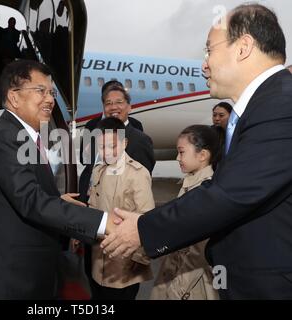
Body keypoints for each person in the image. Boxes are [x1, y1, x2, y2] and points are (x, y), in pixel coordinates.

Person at [101, 4, 292, 299]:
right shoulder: (263, 106)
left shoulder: (282, 104)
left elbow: (230, 194)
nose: (204, 63)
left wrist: (143, 229)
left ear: (243, 47)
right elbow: (219, 186)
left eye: (209, 50)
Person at [0, 59, 116, 299]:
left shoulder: (22, 136)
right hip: (13, 276)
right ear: (14, 97)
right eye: (40, 91)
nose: (50, 99)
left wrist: (57, 199)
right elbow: (30, 200)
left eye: (51, 92)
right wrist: (103, 223)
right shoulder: (6, 137)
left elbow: (24, 192)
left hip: (30, 268)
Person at [87, 117, 154, 300]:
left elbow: (146, 218)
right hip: (98, 256)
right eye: (102, 147)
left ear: (124, 143)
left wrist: (138, 259)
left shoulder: (137, 174)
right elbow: (93, 205)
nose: (107, 152)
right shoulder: (98, 170)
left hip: (124, 262)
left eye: (112, 146)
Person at [150, 125, 220, 300]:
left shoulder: (205, 192)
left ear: (202, 155)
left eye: (181, 152)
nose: (177, 158)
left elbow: (198, 252)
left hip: (190, 285)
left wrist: (179, 289)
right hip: (174, 273)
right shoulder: (191, 183)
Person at [79, 80, 155, 203]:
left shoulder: (141, 140)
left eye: (119, 102)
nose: (113, 107)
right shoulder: (95, 131)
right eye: (108, 103)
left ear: (129, 107)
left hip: (119, 209)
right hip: (89, 202)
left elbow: (143, 181)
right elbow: (88, 165)